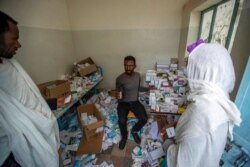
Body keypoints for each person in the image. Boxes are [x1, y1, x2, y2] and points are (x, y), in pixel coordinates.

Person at [166, 42, 242, 167]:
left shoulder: (201, 111)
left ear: (203, 71)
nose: (188, 73)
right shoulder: (219, 100)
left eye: (191, 68)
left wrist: (166, 144)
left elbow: (182, 161)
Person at [0, 11, 60, 167]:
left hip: (41, 126)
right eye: (14, 38)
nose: (18, 44)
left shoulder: (9, 62)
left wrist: (51, 103)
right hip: (13, 153)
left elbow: (27, 95)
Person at [116, 55, 148, 150]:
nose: (128, 68)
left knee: (144, 118)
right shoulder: (119, 78)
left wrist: (148, 89)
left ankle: (134, 131)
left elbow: (138, 88)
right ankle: (124, 137)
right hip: (124, 102)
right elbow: (118, 93)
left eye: (130, 65)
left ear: (134, 66)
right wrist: (119, 96)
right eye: (126, 65)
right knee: (122, 120)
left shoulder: (138, 76)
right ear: (124, 65)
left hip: (134, 101)